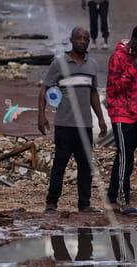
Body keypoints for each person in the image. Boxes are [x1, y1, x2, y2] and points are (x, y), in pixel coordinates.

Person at [39, 27, 107, 213]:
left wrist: (101, 118)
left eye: (86, 38)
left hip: (85, 124)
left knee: (85, 166)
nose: (82, 41)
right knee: (60, 165)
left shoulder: (91, 65)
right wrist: (41, 115)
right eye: (79, 38)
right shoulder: (60, 63)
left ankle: (84, 204)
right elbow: (44, 89)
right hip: (64, 124)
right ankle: (51, 203)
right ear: (71, 40)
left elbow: (93, 93)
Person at [105, 25, 137, 215]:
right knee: (125, 158)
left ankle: (111, 198)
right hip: (120, 113)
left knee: (126, 157)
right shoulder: (118, 58)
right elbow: (113, 88)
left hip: (136, 114)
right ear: (136, 40)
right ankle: (124, 201)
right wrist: (132, 69)